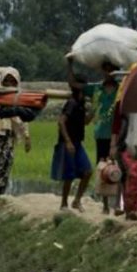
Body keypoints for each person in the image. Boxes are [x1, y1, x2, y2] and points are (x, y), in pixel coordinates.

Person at [68, 58, 120, 213]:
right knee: (103, 168)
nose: (109, 73)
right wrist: (70, 64)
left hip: (118, 133)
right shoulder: (96, 89)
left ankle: (118, 204)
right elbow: (74, 84)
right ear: (102, 71)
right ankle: (105, 205)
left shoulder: (121, 89)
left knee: (120, 168)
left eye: (112, 70)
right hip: (102, 133)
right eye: (106, 69)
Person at [0, 70, 31, 196]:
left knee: (6, 163)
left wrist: (27, 137)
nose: (9, 83)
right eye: (7, 80)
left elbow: (22, 118)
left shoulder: (19, 97)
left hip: (10, 134)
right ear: (2, 81)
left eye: (12, 81)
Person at [51, 81, 94, 211]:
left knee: (87, 171)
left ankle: (76, 200)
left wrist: (93, 112)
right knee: (69, 175)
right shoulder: (72, 103)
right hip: (68, 143)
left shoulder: (81, 104)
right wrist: (68, 141)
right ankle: (64, 203)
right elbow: (61, 122)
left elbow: (85, 122)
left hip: (78, 143)